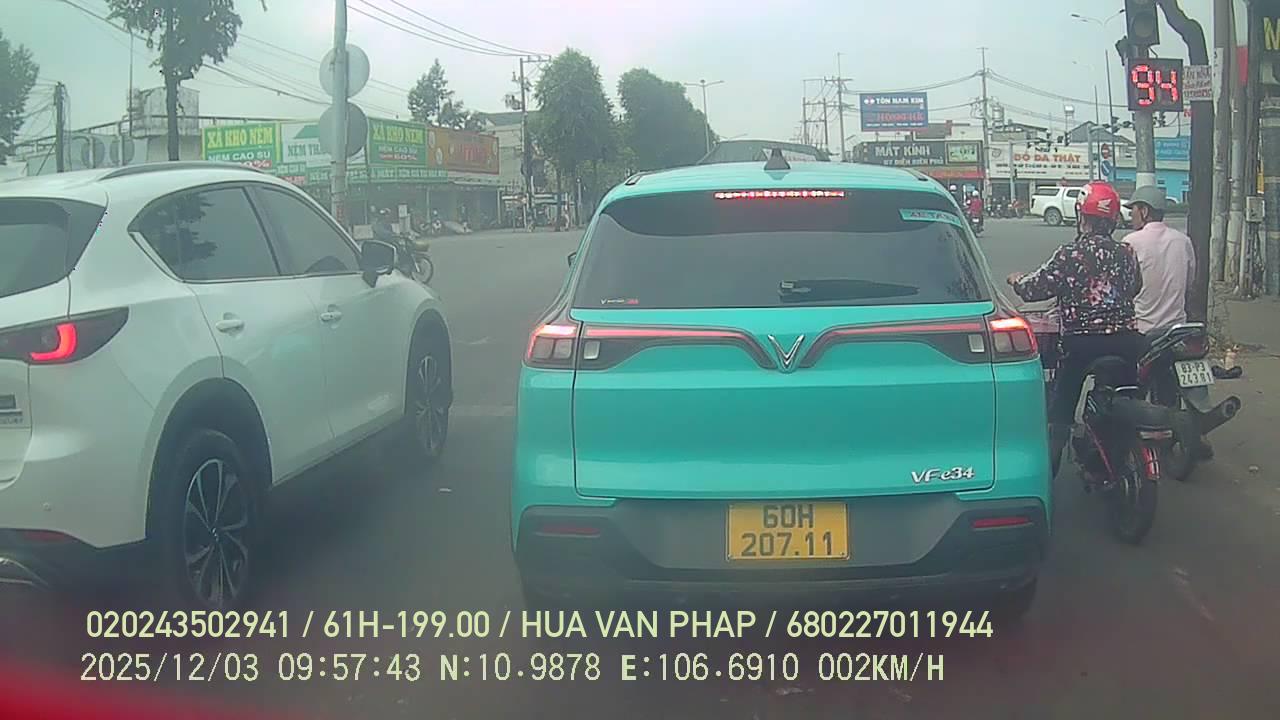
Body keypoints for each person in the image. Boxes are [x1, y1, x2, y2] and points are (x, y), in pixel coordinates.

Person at [1006, 182, 1145, 477]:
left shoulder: (1071, 253)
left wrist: (1016, 280)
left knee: (1062, 407)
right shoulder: (1127, 252)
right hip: (1127, 341)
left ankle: (1051, 464)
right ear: (1113, 220)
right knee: (1129, 395)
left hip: (1081, 344)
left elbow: (1034, 289)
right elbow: (1135, 287)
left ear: (1082, 216)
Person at [1122, 185, 1211, 458]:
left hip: (1143, 330)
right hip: (1179, 330)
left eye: (1133, 210)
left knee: (1125, 380)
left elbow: (1123, 288)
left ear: (1144, 211)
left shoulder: (1131, 242)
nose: (1131, 215)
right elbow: (1190, 281)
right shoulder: (1182, 241)